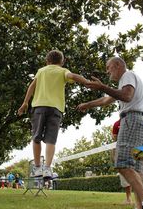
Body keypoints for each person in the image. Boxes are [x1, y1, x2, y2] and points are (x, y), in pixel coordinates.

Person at [77, 57, 143, 209]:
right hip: (139, 121)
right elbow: (106, 99)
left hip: (132, 120)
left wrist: (102, 86)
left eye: (108, 67)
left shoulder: (128, 76)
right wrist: (88, 104)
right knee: (136, 168)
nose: (107, 71)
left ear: (118, 65)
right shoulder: (124, 82)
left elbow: (126, 96)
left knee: (122, 163)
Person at [18, 50, 90, 178]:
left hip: (39, 106)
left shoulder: (41, 71)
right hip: (56, 108)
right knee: (51, 139)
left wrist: (25, 102)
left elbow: (32, 86)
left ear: (47, 61)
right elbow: (72, 76)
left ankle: (38, 167)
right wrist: (87, 82)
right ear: (62, 62)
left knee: (36, 137)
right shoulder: (63, 71)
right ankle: (47, 169)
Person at [112, 119, 133, 205]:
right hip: (121, 150)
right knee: (123, 174)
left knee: (135, 172)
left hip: (132, 148)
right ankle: (128, 198)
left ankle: (142, 198)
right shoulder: (116, 124)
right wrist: (114, 155)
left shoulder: (133, 120)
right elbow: (114, 138)